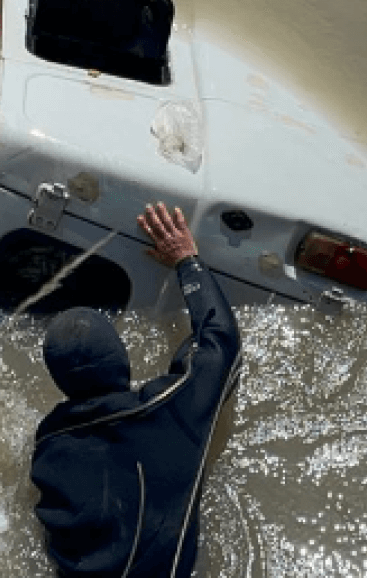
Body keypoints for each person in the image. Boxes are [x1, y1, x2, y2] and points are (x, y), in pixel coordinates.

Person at [30, 202, 243, 578]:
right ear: (120, 359)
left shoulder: (49, 445)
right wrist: (186, 261)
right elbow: (220, 340)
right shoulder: (169, 409)